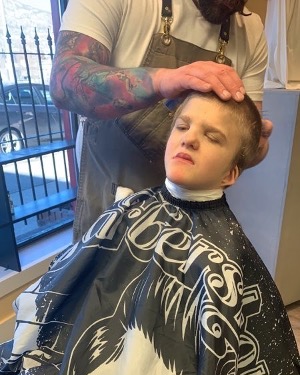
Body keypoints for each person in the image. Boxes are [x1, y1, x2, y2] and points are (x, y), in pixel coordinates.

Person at [0, 91, 298, 375]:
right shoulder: (129, 209)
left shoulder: (225, 261)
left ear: (233, 171)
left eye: (211, 136)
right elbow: (64, 288)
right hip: (93, 369)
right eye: (182, 126)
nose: (190, 139)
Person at [49, 0, 273, 242]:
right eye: (183, 126)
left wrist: (255, 146)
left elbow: (245, 145)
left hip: (188, 221)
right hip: (111, 201)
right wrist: (162, 81)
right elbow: (64, 82)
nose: (188, 140)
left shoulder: (250, 29)